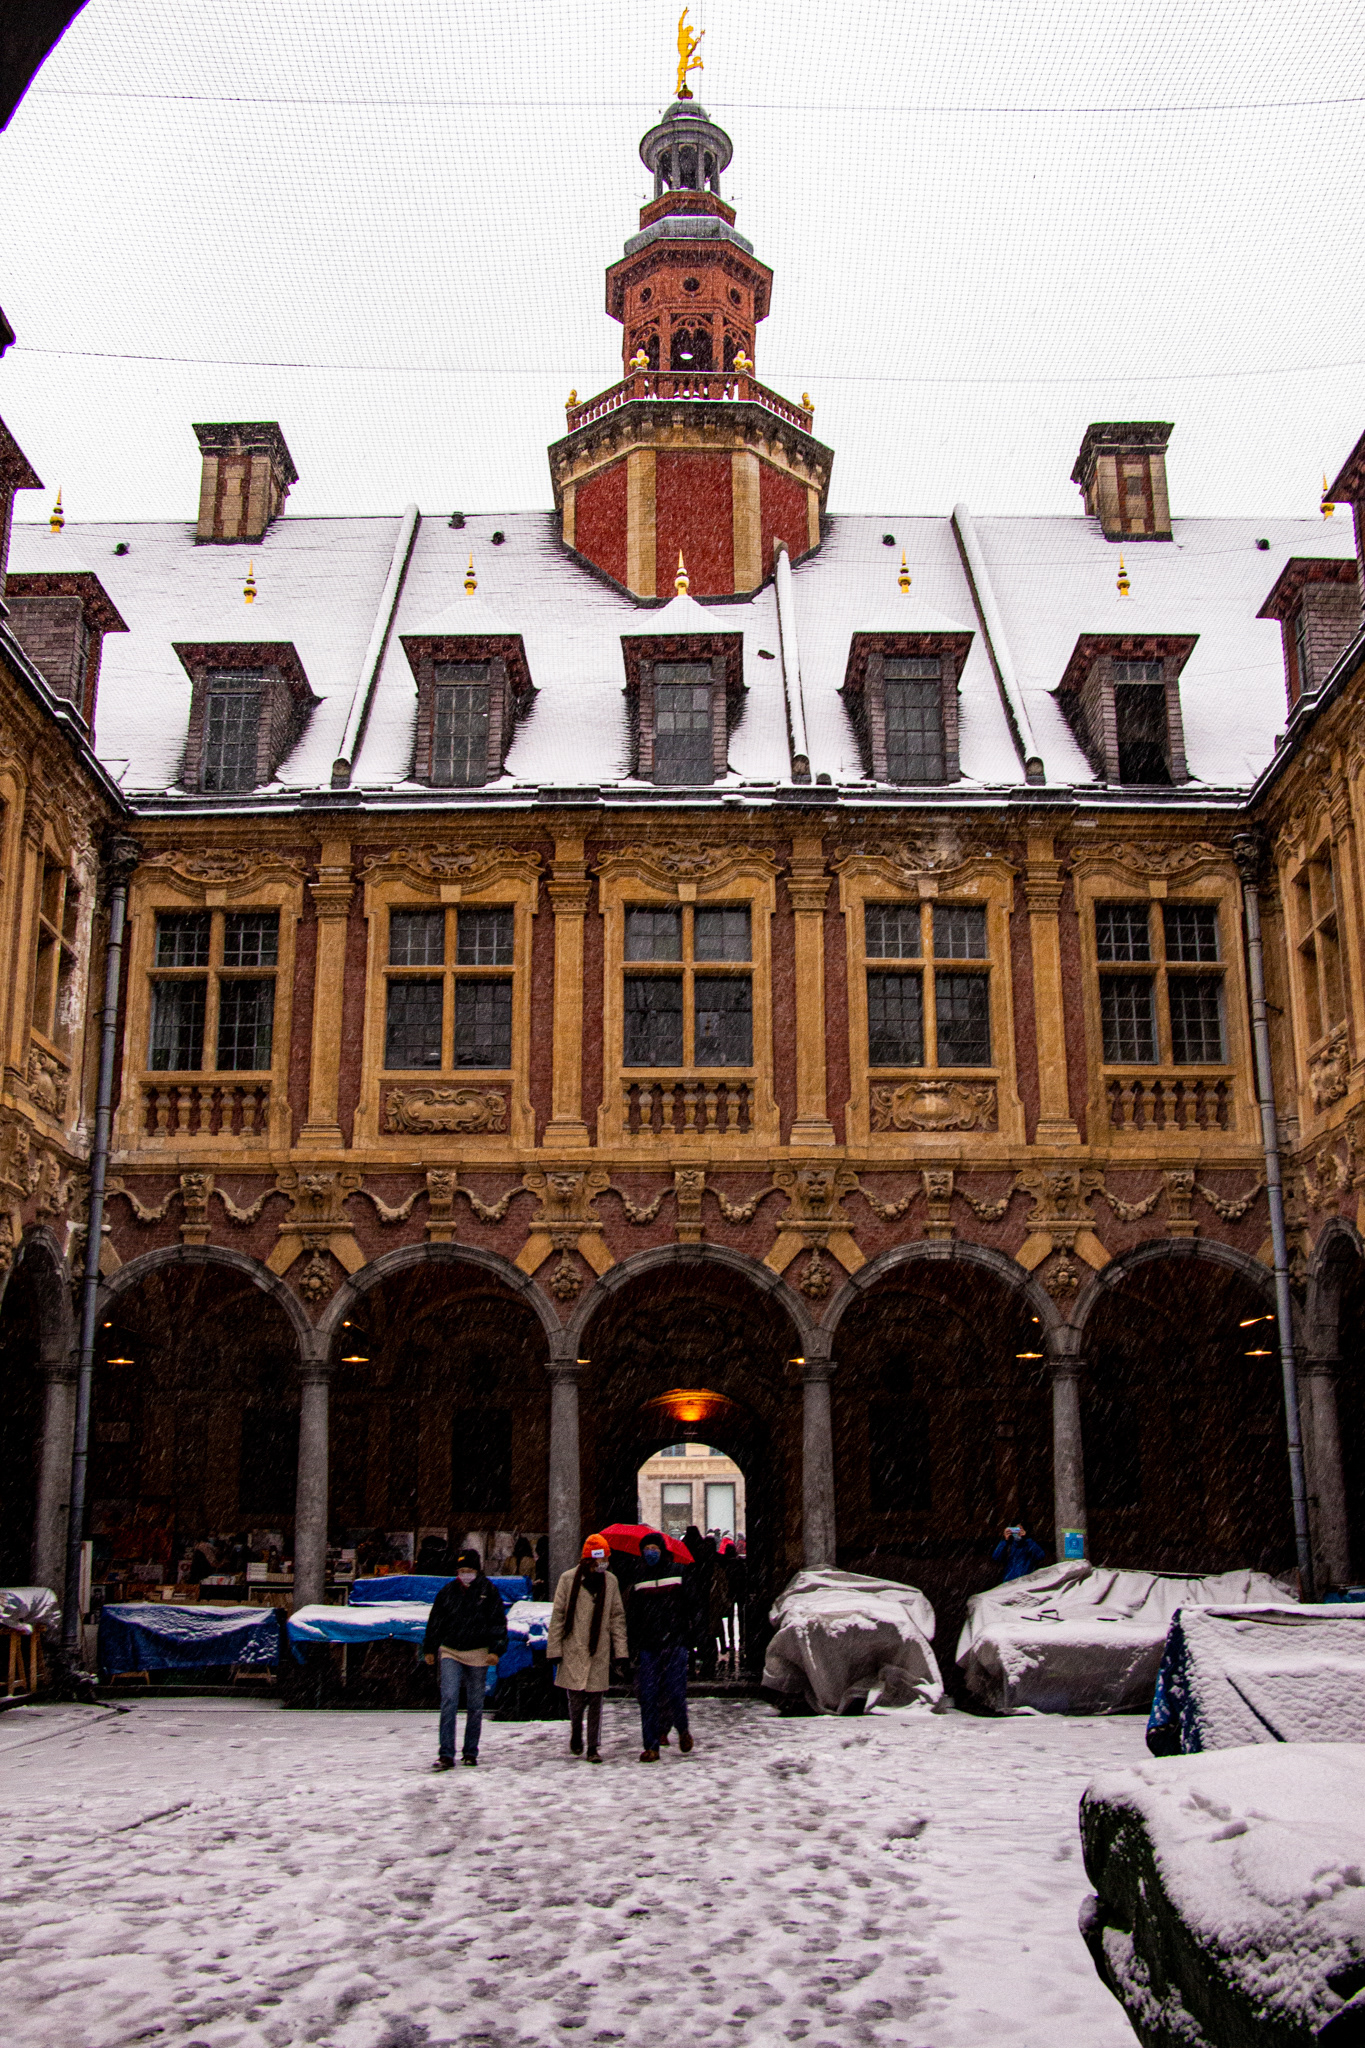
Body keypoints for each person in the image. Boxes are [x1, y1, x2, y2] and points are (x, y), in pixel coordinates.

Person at [422, 1547, 507, 1769]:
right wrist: (430, 1648)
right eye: (462, 1570)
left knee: (475, 1705)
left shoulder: (489, 1591)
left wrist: (496, 1650)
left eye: (469, 1570)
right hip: (451, 1651)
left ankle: (470, 1751)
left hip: (479, 1653)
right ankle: (446, 1754)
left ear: (477, 1571)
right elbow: (435, 1621)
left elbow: (498, 1622)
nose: (465, 1574)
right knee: (449, 1699)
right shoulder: (447, 1592)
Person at [546, 1533, 627, 1762]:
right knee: (575, 1700)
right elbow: (558, 1615)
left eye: (606, 1559)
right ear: (589, 1560)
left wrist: (621, 1652)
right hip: (573, 1646)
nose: (604, 1564)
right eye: (601, 1559)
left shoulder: (610, 1581)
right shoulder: (568, 1579)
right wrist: (554, 1649)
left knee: (596, 1701)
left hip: (598, 1648)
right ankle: (576, 1732)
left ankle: (592, 1747)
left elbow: (617, 1617)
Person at [626, 1529, 692, 1763]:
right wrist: (632, 1644)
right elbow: (633, 1614)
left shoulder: (678, 1573)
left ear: (662, 1551)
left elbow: (690, 1605)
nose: (650, 1553)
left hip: (674, 1641)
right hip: (648, 1644)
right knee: (648, 1695)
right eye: (647, 1549)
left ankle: (682, 1729)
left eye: (654, 1549)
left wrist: (689, 1636)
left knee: (676, 1692)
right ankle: (651, 1745)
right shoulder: (638, 1578)